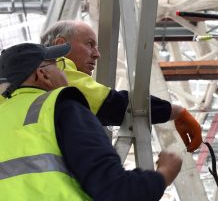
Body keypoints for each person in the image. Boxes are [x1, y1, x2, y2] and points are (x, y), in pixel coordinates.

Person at [0, 43, 182, 201]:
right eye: (59, 67)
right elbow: (119, 194)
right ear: (42, 75)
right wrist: (166, 172)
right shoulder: (58, 107)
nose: (66, 75)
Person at [40, 20, 202, 153]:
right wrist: (176, 112)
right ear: (60, 45)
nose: (97, 54)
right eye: (89, 44)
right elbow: (114, 104)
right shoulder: (57, 70)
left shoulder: (30, 76)